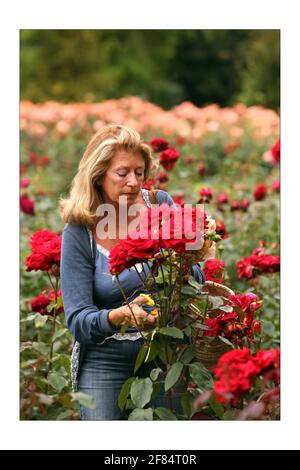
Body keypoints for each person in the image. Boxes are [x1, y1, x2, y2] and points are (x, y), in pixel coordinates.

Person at [59, 124, 206, 420]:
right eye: (122, 173)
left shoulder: (160, 204)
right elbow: (77, 320)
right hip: (105, 358)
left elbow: (198, 281)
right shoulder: (79, 231)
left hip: (167, 352)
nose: (134, 182)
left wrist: (192, 257)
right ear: (98, 175)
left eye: (139, 173)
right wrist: (120, 315)